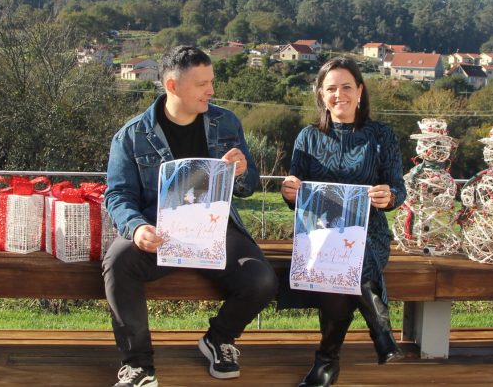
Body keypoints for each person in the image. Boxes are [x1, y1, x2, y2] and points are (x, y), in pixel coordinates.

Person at [103, 45, 278, 387]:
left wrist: (241, 171)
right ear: (172, 86)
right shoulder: (132, 136)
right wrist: (137, 228)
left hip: (215, 228)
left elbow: (249, 185)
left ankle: (219, 338)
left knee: (262, 281)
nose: (211, 90)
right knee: (119, 260)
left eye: (211, 81)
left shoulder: (226, 122)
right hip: (161, 231)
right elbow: (118, 195)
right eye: (202, 84)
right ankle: (138, 363)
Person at [280, 57, 407, 387]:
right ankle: (380, 333)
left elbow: (398, 188)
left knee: (352, 255)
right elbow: (296, 190)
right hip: (320, 235)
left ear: (360, 91)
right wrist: (289, 191)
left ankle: (327, 360)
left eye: (347, 87)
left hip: (370, 233)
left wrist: (388, 197)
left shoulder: (381, 136)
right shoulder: (308, 137)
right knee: (337, 261)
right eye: (331, 88)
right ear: (321, 95)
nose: (340, 94)